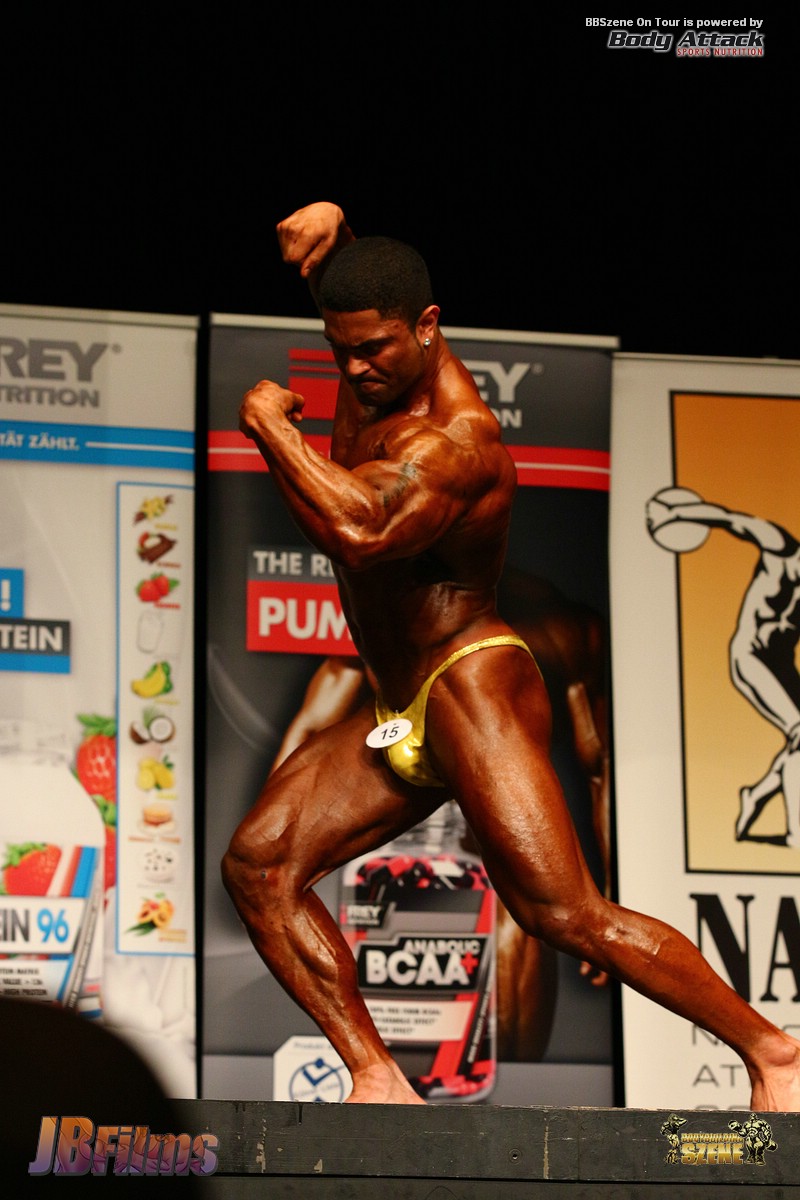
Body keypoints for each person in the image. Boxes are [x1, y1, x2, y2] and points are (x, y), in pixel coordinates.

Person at [223, 200, 800, 1108]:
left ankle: (772, 1052)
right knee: (260, 867)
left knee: (562, 914)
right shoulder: (380, 352)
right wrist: (336, 239)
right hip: (397, 701)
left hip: (471, 683)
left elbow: (360, 532)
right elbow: (367, 295)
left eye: (372, 350)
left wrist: (270, 425)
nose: (355, 368)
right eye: (340, 350)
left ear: (428, 327)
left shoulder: (460, 445)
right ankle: (377, 1075)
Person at [267, 569, 612, 1062]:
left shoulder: (563, 628)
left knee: (523, 919)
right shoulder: (397, 613)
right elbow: (312, 725)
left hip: (493, 817)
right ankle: (385, 1074)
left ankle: (513, 1087)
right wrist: (275, 859)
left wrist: (607, 894)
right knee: (381, 927)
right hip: (403, 818)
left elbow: (598, 768)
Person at [646, 493, 800, 848]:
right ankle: (794, 829)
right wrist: (678, 513)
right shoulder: (781, 547)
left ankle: (756, 795)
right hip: (751, 657)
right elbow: (730, 519)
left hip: (781, 664)